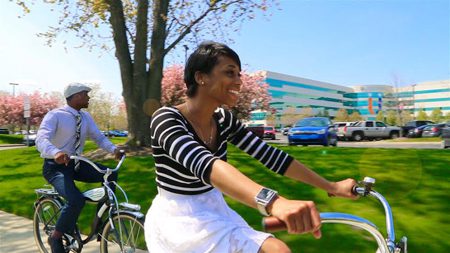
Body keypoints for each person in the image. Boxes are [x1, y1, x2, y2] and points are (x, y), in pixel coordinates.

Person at [145, 41, 357, 253]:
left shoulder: (223, 119)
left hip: (215, 206)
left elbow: (271, 156)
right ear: (201, 77)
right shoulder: (166, 119)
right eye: (230, 73)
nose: (239, 82)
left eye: (239, 75)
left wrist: (332, 186)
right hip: (180, 217)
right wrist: (274, 202)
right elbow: (205, 165)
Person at [36, 83, 123, 253]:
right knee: (76, 200)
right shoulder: (55, 115)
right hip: (56, 167)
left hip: (76, 164)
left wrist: (114, 149)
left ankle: (99, 222)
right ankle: (55, 237)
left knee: (111, 174)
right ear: (76, 96)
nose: (89, 97)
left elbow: (99, 137)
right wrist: (56, 152)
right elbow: (41, 138)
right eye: (85, 94)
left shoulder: (85, 117)